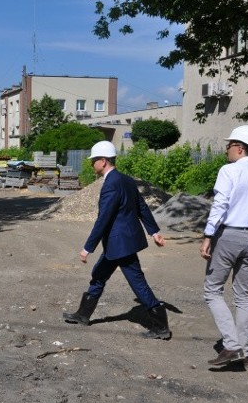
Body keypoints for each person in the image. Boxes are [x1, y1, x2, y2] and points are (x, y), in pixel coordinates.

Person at [63, 140, 171, 339]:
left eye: (94, 160)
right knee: (99, 275)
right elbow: (142, 207)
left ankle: (161, 326)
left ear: (103, 161)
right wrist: (153, 231)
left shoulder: (111, 184)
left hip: (121, 244)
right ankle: (83, 315)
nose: (91, 163)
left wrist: (88, 247)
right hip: (119, 243)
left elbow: (104, 218)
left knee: (137, 283)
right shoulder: (126, 180)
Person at [200, 125, 248, 367]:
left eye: (229, 145)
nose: (227, 149)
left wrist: (208, 235)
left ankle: (231, 346)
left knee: (212, 290)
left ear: (240, 148)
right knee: (242, 294)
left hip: (229, 235)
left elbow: (220, 205)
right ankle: (244, 350)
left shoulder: (228, 171)